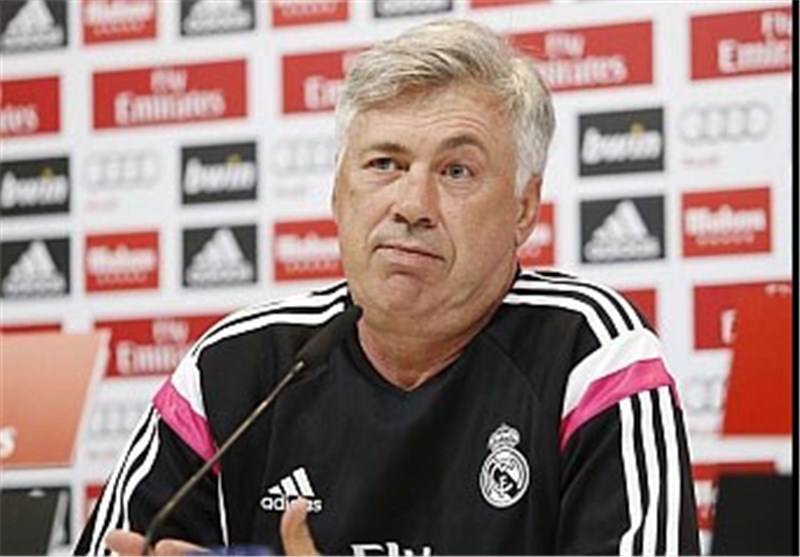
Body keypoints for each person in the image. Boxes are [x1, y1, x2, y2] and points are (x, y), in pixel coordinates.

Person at [76, 19, 699, 556]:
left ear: (523, 208)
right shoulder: (235, 367)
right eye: (384, 164)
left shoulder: (590, 354)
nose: (412, 205)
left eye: (457, 170)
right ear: (337, 193)